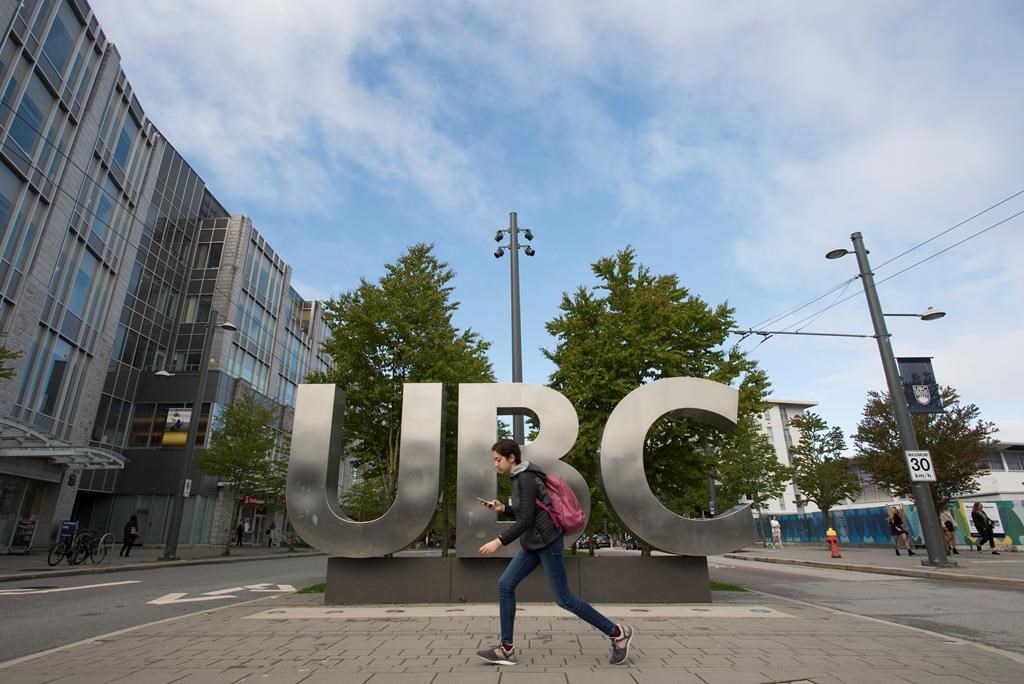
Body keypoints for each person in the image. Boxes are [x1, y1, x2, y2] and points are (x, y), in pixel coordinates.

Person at [476, 439, 635, 667]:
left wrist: (498, 541)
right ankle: (506, 649)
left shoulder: (527, 478)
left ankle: (618, 633)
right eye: (494, 461)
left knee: (564, 599)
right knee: (505, 585)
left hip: (548, 543)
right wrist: (504, 509)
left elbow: (527, 519)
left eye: (498, 460)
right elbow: (528, 513)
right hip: (534, 543)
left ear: (512, 457)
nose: (496, 465)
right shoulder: (520, 477)